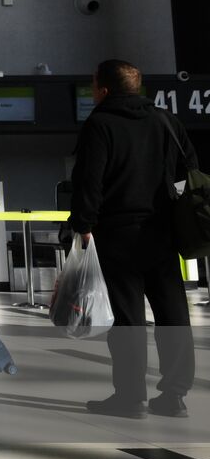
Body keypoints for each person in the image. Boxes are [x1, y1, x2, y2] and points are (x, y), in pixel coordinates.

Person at [71, 59, 198, 418]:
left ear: (103, 89)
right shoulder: (165, 120)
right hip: (161, 231)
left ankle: (129, 397)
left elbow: (89, 180)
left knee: (128, 319)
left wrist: (83, 225)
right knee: (173, 313)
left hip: (117, 234)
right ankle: (174, 394)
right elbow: (189, 169)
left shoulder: (100, 124)